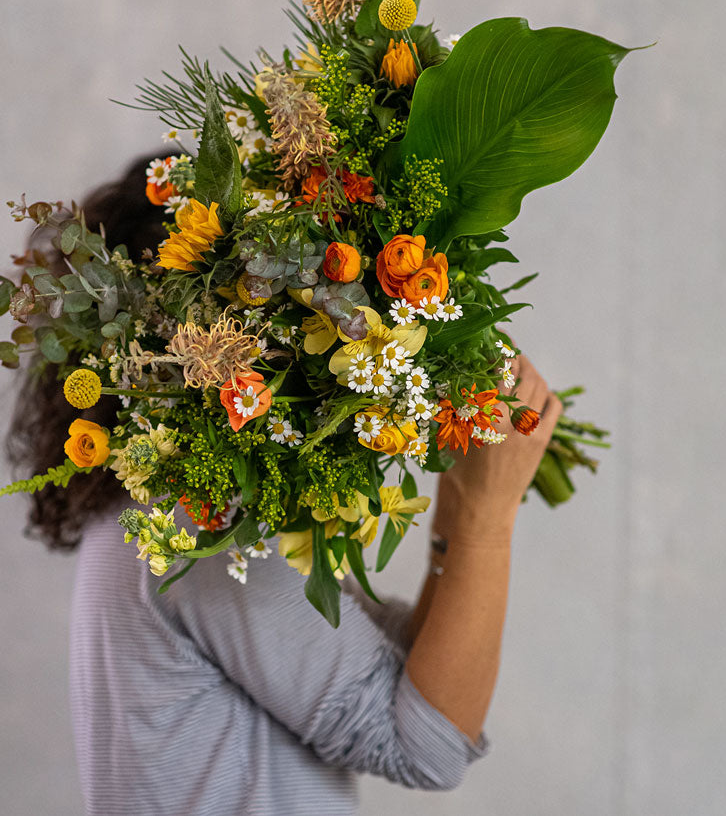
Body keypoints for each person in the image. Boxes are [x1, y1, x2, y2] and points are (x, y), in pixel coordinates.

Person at [9, 153, 563, 814]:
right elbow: (427, 746)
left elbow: (402, 672)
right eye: (259, 286)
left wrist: (463, 495)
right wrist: (486, 515)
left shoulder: (159, 508)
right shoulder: (193, 526)